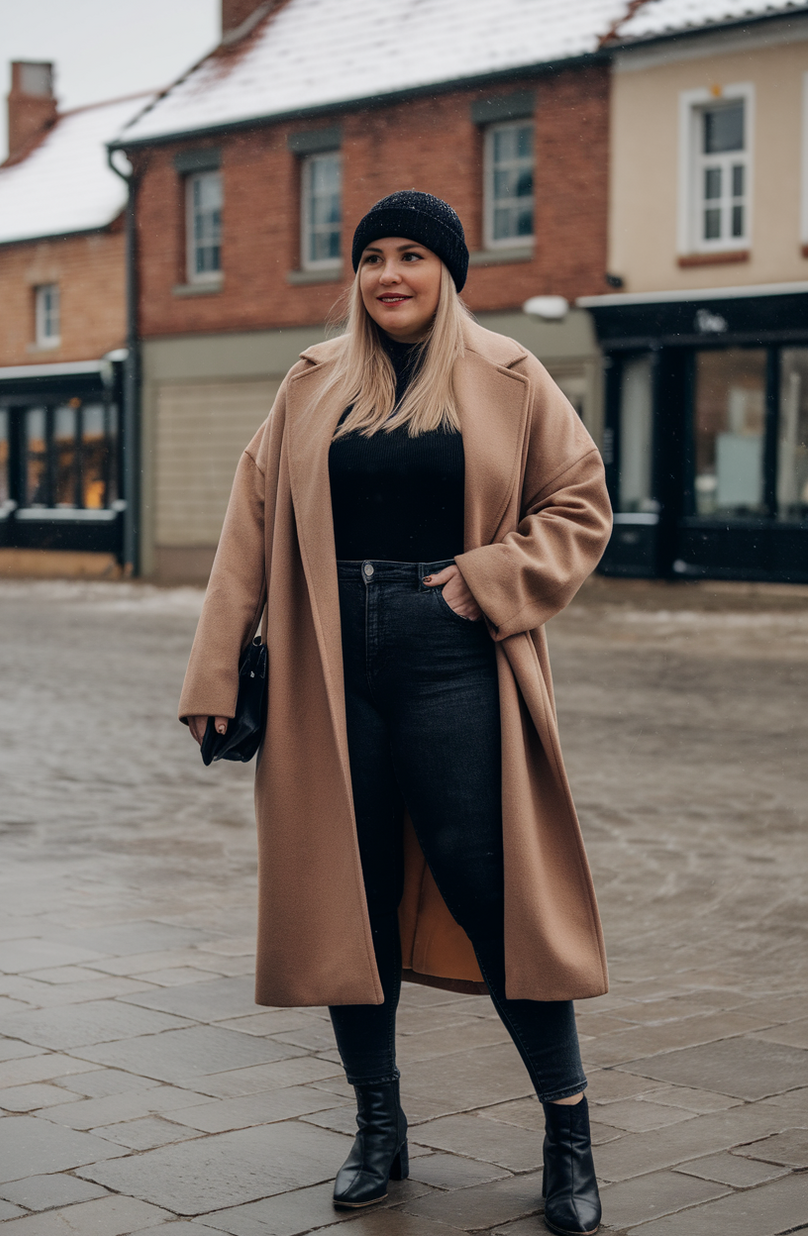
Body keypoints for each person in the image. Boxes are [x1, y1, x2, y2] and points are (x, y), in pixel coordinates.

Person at [180, 191, 612, 1236]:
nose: (387, 274)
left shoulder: (510, 375)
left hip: (451, 650)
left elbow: (580, 504)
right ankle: (378, 1125)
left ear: (448, 271)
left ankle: (567, 1132)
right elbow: (250, 526)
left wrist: (489, 577)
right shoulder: (312, 384)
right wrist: (212, 676)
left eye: (410, 254)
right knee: (348, 894)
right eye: (371, 256)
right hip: (329, 661)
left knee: (489, 885)